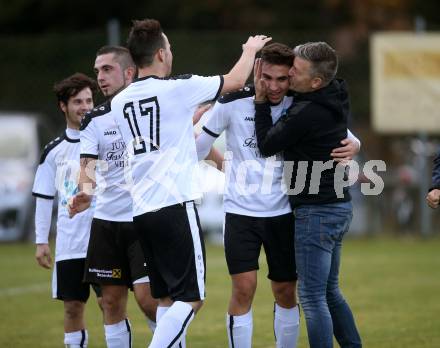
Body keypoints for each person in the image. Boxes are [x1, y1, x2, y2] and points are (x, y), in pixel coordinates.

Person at [71, 18, 269, 348]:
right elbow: (235, 80)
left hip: (142, 212)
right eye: (170, 48)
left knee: (164, 299)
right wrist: (250, 50)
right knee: (192, 298)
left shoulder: (120, 102)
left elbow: (155, 134)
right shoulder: (178, 88)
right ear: (162, 54)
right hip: (175, 206)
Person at [195, 42, 360, 348]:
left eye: (282, 79)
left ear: (292, 78)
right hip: (241, 213)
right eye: (266, 77)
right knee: (243, 290)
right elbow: (199, 148)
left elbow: (347, 136)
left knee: (287, 291)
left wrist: (356, 146)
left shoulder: (300, 102)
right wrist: (227, 168)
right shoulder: (232, 101)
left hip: (285, 212)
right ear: (257, 71)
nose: (273, 86)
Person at [254, 42, 362, 348]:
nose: (289, 73)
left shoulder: (306, 112)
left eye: (296, 71)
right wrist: (357, 144)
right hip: (339, 206)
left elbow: (267, 144)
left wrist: (262, 102)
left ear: (316, 82)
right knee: (330, 291)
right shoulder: (335, 93)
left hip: (316, 211)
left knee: (313, 298)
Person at [70, 45, 158, 348]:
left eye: (107, 69)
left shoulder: (150, 107)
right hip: (107, 222)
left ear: (129, 72)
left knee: (149, 300)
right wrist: (84, 193)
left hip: (144, 219)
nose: (100, 77)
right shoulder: (93, 120)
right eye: (97, 71)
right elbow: (88, 170)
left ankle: (171, 340)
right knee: (110, 302)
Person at [32, 72, 100, 348]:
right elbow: (44, 197)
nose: (85, 107)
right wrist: (40, 241)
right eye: (77, 101)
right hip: (71, 244)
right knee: (72, 308)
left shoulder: (103, 141)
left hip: (103, 239)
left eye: (89, 100)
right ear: (63, 106)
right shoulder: (53, 152)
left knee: (111, 303)